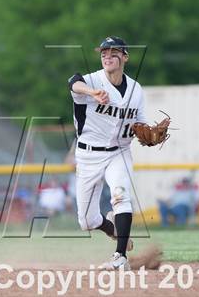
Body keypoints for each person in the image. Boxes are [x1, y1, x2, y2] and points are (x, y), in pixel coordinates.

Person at [68, 36, 148, 270]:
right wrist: (92, 93)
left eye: (113, 53)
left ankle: (120, 256)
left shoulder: (136, 89)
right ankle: (115, 231)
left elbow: (140, 122)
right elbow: (72, 82)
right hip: (88, 155)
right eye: (103, 53)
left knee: (121, 196)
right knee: (87, 220)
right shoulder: (91, 81)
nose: (107, 56)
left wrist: (146, 133)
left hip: (119, 153)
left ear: (125, 57)